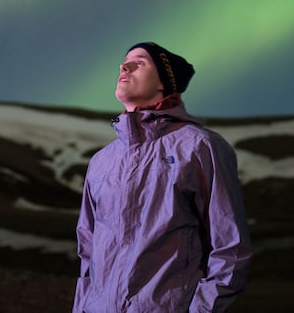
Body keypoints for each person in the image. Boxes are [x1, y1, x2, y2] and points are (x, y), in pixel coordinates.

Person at [74, 42, 252, 312]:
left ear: (163, 84)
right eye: (125, 61)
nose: (125, 66)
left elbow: (230, 247)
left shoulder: (200, 147)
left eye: (140, 62)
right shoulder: (102, 161)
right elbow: (87, 249)